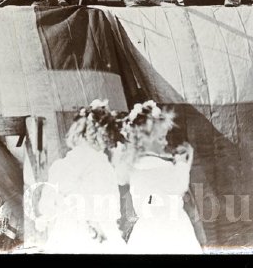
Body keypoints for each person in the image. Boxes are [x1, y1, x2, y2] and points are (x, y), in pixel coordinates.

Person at [35, 100, 126, 253]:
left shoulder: (59, 166)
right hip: (96, 233)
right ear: (102, 136)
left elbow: (46, 207)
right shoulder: (102, 165)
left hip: (66, 235)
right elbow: (113, 208)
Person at [118, 100, 202, 254]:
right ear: (143, 141)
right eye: (160, 138)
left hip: (147, 228)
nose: (164, 142)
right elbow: (181, 185)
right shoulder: (162, 166)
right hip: (171, 227)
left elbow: (121, 178)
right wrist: (184, 161)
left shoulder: (133, 166)